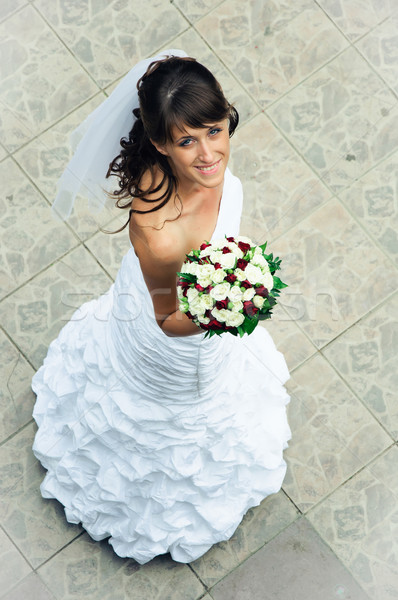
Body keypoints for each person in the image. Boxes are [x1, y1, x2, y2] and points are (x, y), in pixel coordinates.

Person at [32, 50, 291, 565]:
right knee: (173, 422)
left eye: (214, 131)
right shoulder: (160, 231)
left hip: (196, 295)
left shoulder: (211, 170)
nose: (207, 155)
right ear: (160, 144)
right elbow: (169, 321)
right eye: (186, 142)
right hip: (175, 327)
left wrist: (228, 280)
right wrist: (233, 304)